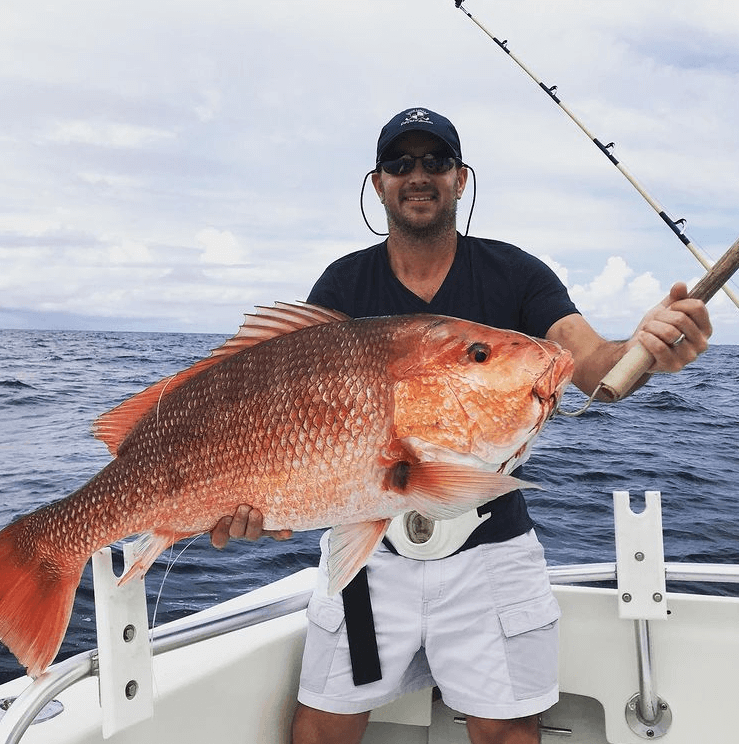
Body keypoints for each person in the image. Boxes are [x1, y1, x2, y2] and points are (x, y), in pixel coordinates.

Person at [211, 107, 712, 744]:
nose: (417, 175)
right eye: (399, 163)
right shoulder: (342, 283)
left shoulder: (518, 275)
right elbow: (288, 419)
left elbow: (591, 366)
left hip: (490, 550)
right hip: (369, 555)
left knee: (508, 733)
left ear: (460, 178)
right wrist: (263, 500)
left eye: (435, 162)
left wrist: (647, 346)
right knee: (318, 732)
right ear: (378, 183)